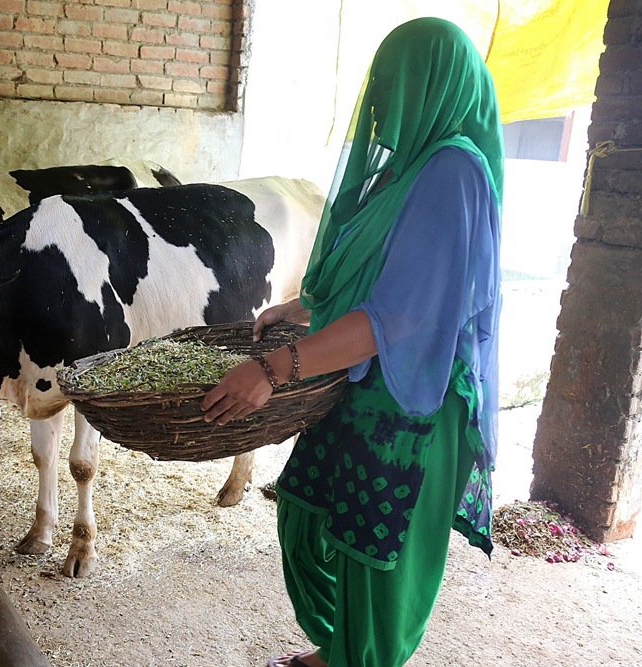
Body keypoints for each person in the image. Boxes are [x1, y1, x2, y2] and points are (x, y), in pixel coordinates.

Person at [201, 17, 503, 667]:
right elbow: (376, 274)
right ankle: (344, 647)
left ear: (437, 84)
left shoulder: (454, 173)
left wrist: (273, 368)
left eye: (399, 83)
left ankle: (362, 658)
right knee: (307, 519)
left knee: (375, 553)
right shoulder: (409, 167)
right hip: (360, 387)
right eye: (382, 83)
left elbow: (403, 318)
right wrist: (306, 306)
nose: (384, 101)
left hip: (411, 409)